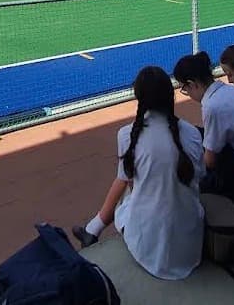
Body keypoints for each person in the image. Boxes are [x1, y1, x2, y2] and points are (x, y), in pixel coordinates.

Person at [72, 67, 205, 279]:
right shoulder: (193, 134)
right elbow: (199, 177)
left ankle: (93, 229)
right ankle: (92, 229)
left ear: (139, 97)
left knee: (127, 190)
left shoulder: (127, 135)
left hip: (149, 251)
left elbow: (126, 181)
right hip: (189, 249)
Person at [173, 51, 234, 207]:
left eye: (185, 89)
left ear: (192, 84)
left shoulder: (212, 106)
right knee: (197, 133)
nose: (187, 93)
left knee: (190, 182)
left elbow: (209, 162)